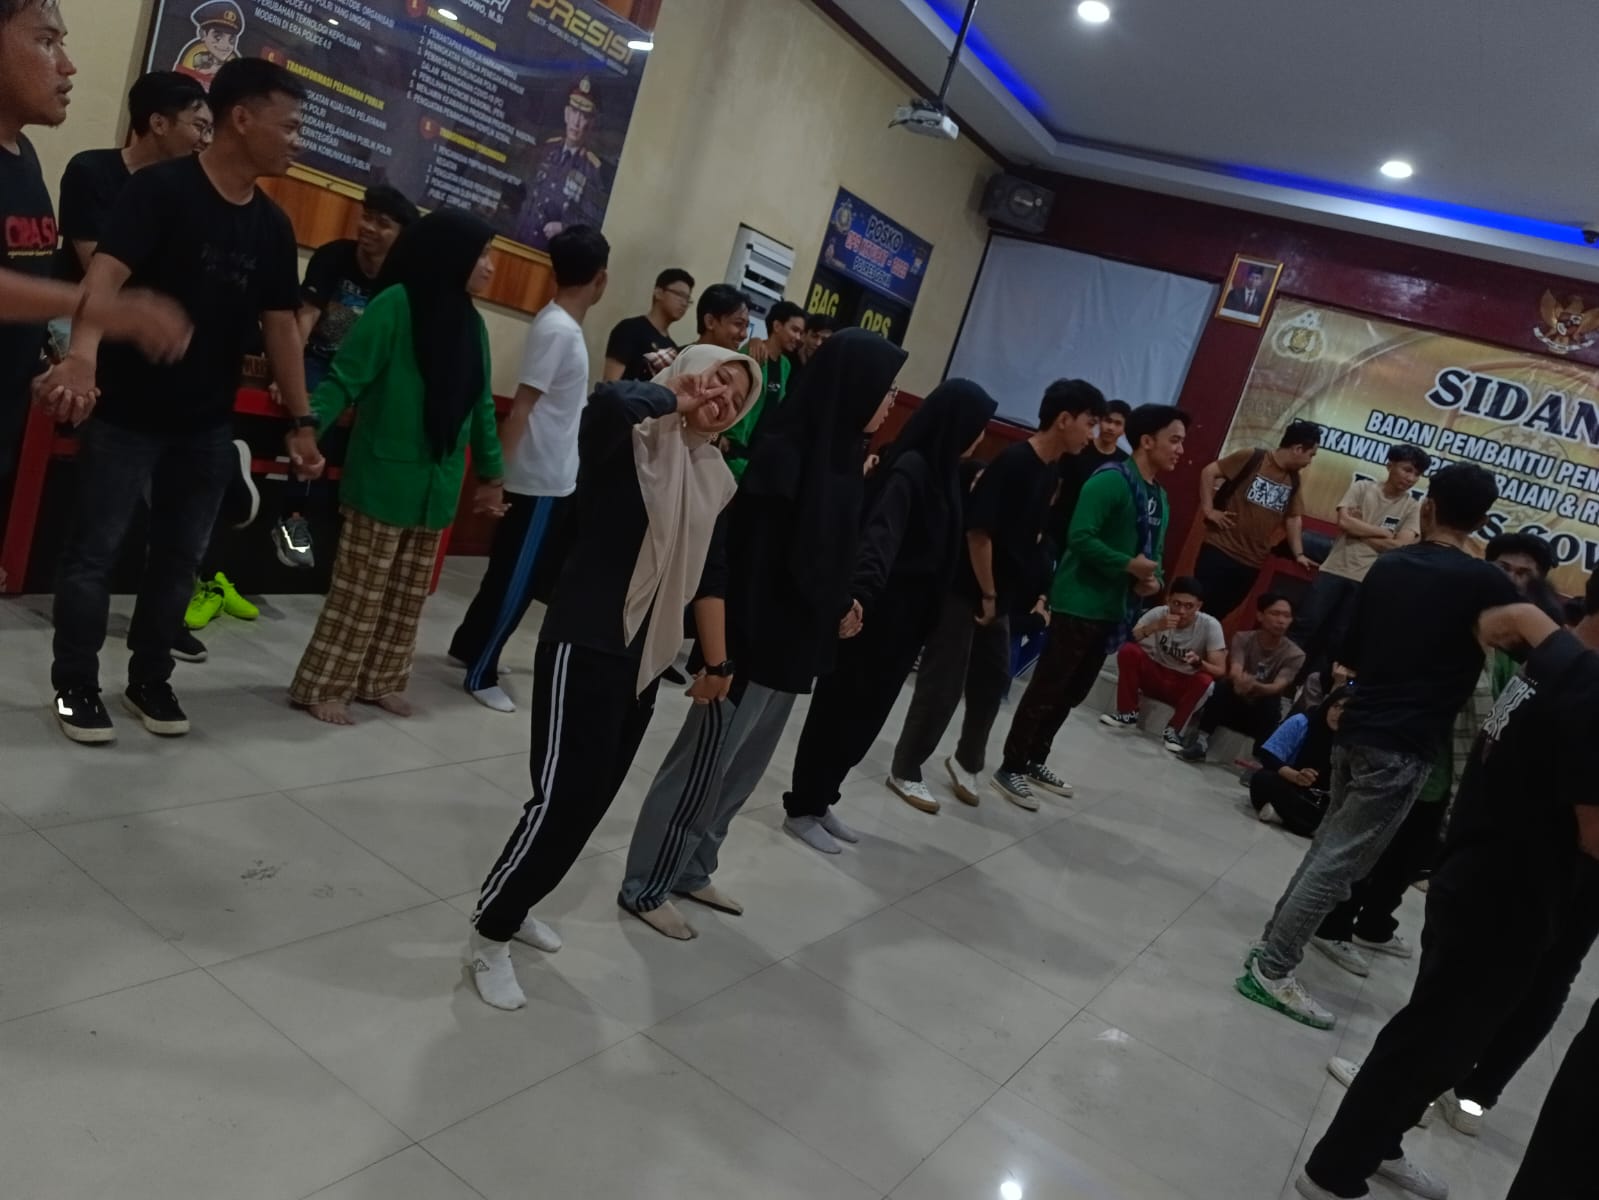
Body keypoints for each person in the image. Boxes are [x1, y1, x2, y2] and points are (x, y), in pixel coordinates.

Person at [467, 346, 761, 1008]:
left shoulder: (713, 477)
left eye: (737, 396)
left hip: (643, 660)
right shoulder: (631, 438)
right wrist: (675, 397)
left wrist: (717, 662)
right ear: (688, 368)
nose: (722, 397)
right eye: (717, 377)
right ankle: (489, 932)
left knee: (592, 801)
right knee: (561, 799)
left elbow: (710, 573)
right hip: (585, 639)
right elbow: (605, 403)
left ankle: (517, 903)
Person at [47, 57, 313, 744]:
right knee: (93, 555)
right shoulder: (160, 190)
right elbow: (104, 278)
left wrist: (302, 419)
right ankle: (75, 685)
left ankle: (149, 679)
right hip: (125, 412)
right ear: (241, 118)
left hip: (205, 424)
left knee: (178, 561)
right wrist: (82, 355)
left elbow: (282, 326)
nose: (297, 140)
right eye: (289, 126)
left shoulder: (272, 226)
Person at [1294, 598, 1598, 1200]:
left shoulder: (1556, 655)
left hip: (1480, 870)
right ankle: (1332, 1172)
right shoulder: (1591, 688)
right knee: (1431, 1040)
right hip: (1507, 893)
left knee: (1447, 1040)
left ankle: (1380, 1145)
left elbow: (1509, 616)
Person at [618, 329, 907, 939]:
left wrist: (842, 603)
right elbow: (754, 566)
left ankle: (694, 867)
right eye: (885, 389)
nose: (890, 402)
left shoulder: (840, 458)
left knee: (741, 772)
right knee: (701, 767)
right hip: (750, 646)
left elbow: (830, 557)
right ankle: (647, 883)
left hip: (794, 648)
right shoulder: (786, 452)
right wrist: (720, 657)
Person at [1237, 464, 1519, 1031]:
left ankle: (1271, 946)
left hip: (1358, 724)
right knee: (1340, 860)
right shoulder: (1487, 584)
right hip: (1405, 743)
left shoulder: (1391, 565)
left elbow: (1354, 650)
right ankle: (1272, 969)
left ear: (1428, 506)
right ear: (1482, 521)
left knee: (1328, 847)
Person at [287, 210, 506, 725]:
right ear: (451, 255)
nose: (490, 267)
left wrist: (492, 476)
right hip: (383, 479)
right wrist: (306, 430)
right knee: (359, 594)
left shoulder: (472, 324)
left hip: (438, 486)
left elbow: (481, 407)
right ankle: (323, 685)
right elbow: (345, 378)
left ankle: (379, 680)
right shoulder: (395, 304)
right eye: (482, 255)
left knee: (407, 597)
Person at [782, 379, 997, 852]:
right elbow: (880, 539)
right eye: (977, 426)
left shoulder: (944, 473)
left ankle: (821, 799)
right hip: (877, 616)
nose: (980, 437)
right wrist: (862, 596)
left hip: (908, 623)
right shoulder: (911, 469)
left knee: (866, 717)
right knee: (840, 713)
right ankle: (802, 805)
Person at [0, 0, 190, 513]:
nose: (68, 65)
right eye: (46, 41)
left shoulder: (23, 155)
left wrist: (44, 373)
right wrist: (102, 307)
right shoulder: (90, 172)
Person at [888, 379, 1106, 814]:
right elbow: (978, 534)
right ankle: (905, 768)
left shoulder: (1051, 471)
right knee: (943, 686)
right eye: (1090, 422)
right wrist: (987, 594)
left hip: (1000, 595)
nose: (1093, 433)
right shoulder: (1015, 462)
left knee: (991, 682)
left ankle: (966, 760)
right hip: (965, 590)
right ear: (1064, 419)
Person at [449, 225, 610, 713]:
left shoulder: (560, 324)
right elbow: (521, 407)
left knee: (506, 572)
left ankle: (468, 644)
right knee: (517, 581)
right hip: (539, 478)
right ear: (600, 279)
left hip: (551, 475)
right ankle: (481, 672)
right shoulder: (559, 328)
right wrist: (494, 479)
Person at [996, 403, 1185, 806]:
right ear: (1147, 440)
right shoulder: (1111, 480)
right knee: (1048, 688)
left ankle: (1035, 758)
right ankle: (1010, 766)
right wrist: (1128, 566)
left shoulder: (1161, 497)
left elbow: (1157, 556)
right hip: (1080, 601)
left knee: (1073, 692)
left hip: (1114, 609)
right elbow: (1080, 537)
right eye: (1174, 440)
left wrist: (1153, 581)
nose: (1180, 450)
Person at [269, 182, 420, 570]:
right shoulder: (333, 256)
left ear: (402, 235)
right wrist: (287, 374)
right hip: (320, 361)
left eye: (382, 223)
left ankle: (349, 530)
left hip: (367, 375)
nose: (368, 227)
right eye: (366, 217)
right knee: (312, 414)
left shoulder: (404, 282)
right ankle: (292, 521)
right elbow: (305, 319)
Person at [1290, 444, 1427, 682]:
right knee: (1305, 625)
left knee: (1338, 640)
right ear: (1390, 465)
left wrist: (1360, 529)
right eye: (1407, 470)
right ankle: (1278, 680)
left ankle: (1313, 692)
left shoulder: (1412, 507)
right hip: (1334, 569)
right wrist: (1383, 532)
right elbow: (1344, 523)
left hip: (1368, 580)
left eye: (1417, 474)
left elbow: (1400, 547)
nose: (1411, 478)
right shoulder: (1362, 488)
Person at [58, 71, 211, 281]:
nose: (207, 140)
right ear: (159, 124)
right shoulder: (90, 171)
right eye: (199, 127)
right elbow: (97, 273)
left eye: (210, 130)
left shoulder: (191, 187)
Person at [1195, 419, 1320, 622]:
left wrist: (1299, 554)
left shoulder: (1294, 480)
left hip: (1251, 561)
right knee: (1198, 608)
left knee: (1217, 616)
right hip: (1220, 548)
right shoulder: (1252, 457)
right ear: (1298, 449)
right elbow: (1209, 472)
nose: (1309, 461)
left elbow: (1293, 517)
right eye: (1311, 455)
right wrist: (1209, 510)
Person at [1098, 576, 1227, 751]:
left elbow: (1220, 670)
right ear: (1168, 600)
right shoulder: (1159, 613)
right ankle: (1127, 712)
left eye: (1189, 606)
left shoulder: (1210, 625)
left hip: (1182, 683)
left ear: (1198, 606)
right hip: (1155, 674)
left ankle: (1175, 730)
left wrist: (1199, 663)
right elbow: (1130, 638)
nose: (1181, 611)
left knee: (1205, 680)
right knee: (1129, 651)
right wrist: (1154, 627)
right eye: (1176, 603)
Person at [1181, 592, 1304, 762]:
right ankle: (1200, 742)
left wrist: (1254, 685)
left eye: (1287, 616)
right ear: (1260, 615)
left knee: (1272, 701)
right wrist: (1240, 681)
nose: (1281, 620)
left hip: (1259, 710)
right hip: (1234, 701)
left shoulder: (1295, 654)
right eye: (1275, 614)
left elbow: (1278, 686)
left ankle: (1258, 760)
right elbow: (1235, 669)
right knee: (1223, 686)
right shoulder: (1243, 638)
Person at [719, 299, 807, 480]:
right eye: (794, 330)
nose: (798, 338)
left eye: (801, 332)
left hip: (755, 457)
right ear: (777, 326)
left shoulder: (785, 365)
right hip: (731, 451)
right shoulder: (751, 354)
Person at [513, 77, 604, 249]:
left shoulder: (591, 168)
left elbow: (592, 222)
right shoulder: (547, 150)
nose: (576, 122)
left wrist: (565, 228)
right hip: (520, 241)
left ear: (591, 123)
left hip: (551, 253)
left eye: (584, 116)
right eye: (574, 112)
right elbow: (526, 195)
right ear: (566, 114)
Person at [1250, 690, 1351, 836]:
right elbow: (1268, 755)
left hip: (1322, 799)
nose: (1338, 714)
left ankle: (1284, 817)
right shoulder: (1303, 721)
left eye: (1346, 710)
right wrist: (1295, 776)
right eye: (1336, 706)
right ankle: (1309, 825)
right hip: (1290, 785)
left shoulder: (1353, 742)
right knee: (1263, 779)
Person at [1048, 397, 1130, 550]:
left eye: (1117, 423)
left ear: (1124, 429)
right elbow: (1056, 486)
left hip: (1091, 532)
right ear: (1100, 421)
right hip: (1059, 523)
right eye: (1107, 421)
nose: (1110, 427)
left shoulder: (1124, 463)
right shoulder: (1078, 447)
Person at [601, 267, 692, 382]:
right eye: (679, 295)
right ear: (658, 293)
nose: (684, 303)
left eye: (688, 299)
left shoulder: (671, 347)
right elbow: (610, 383)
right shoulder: (629, 329)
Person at [173, 0, 243, 88]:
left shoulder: (230, 67)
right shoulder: (201, 57)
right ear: (203, 34)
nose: (225, 45)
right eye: (217, 37)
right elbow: (194, 74)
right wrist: (213, 70)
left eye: (231, 40)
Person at [694, 283, 750, 351]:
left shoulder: (733, 357)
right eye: (738, 323)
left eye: (746, 326)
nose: (744, 335)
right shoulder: (683, 356)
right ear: (710, 322)